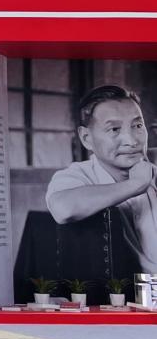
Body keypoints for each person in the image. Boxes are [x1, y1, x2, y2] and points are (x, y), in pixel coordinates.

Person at [46, 85, 157, 272]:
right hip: (120, 288)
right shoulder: (78, 175)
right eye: (114, 129)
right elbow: (63, 208)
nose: (132, 141)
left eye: (138, 126)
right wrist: (135, 185)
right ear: (86, 138)